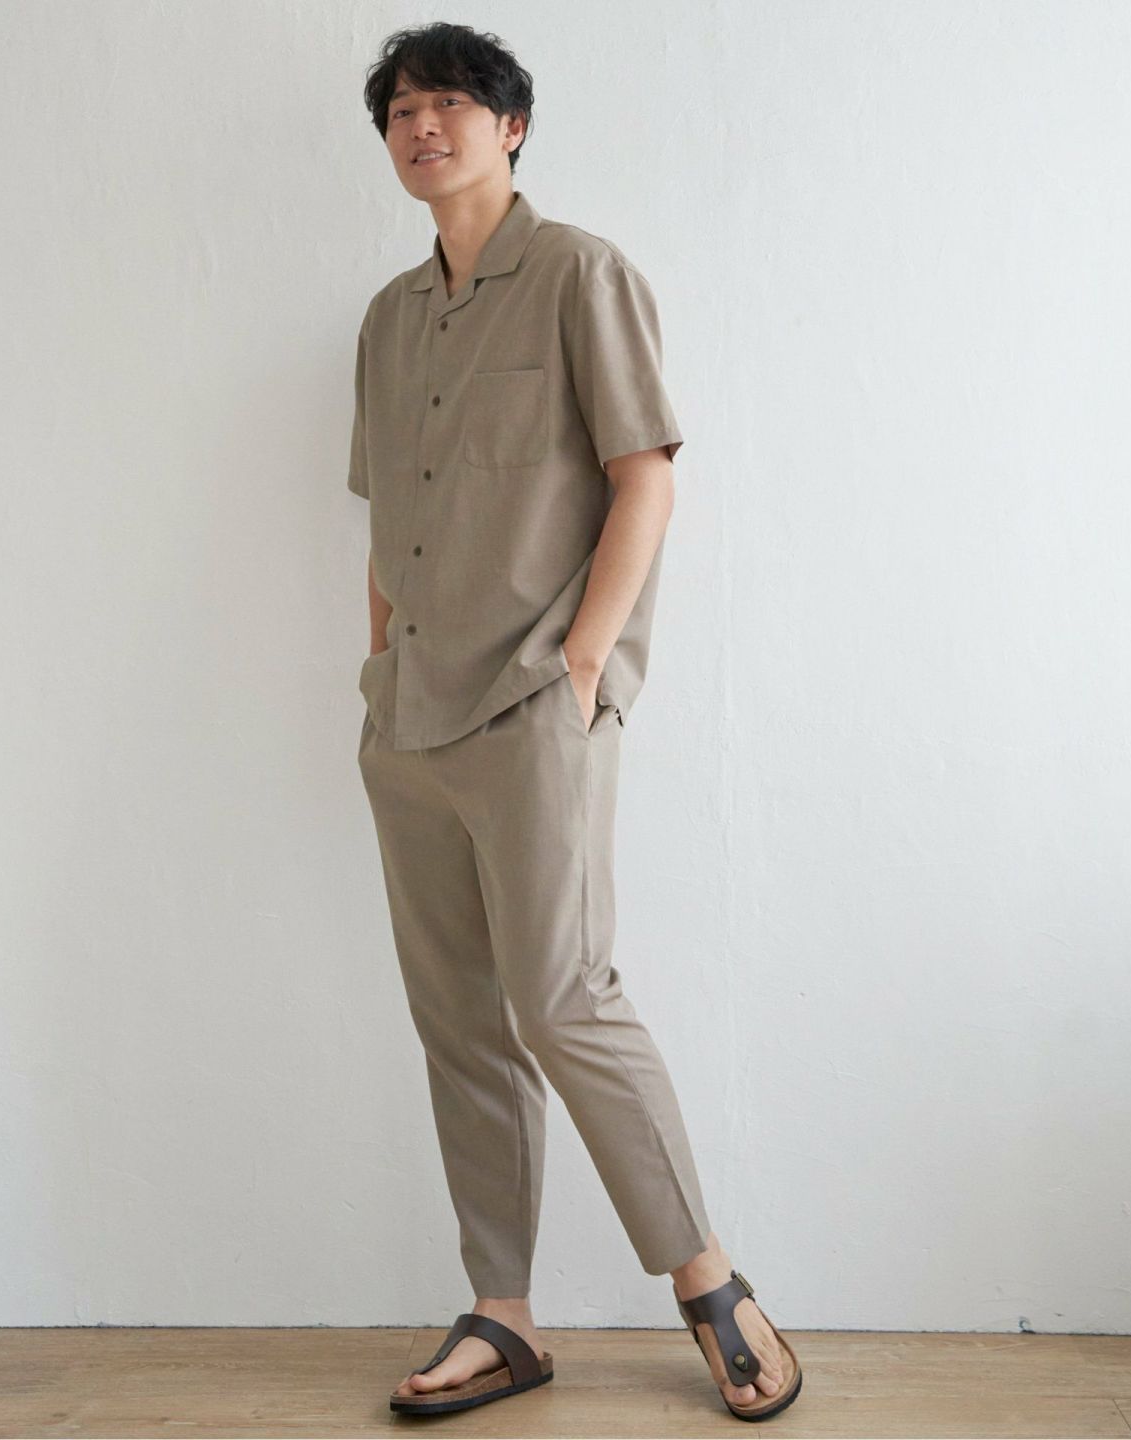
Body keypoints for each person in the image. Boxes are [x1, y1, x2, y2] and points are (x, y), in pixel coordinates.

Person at [349, 21, 803, 1423]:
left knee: (563, 1000)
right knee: (458, 1022)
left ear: (512, 126)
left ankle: (709, 1279)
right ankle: (504, 1314)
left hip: (533, 701)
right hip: (409, 718)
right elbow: (387, 515)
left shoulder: (581, 274)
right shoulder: (388, 317)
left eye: (451, 103)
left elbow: (645, 475)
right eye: (403, 110)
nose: (425, 127)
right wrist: (376, 661)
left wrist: (586, 659)